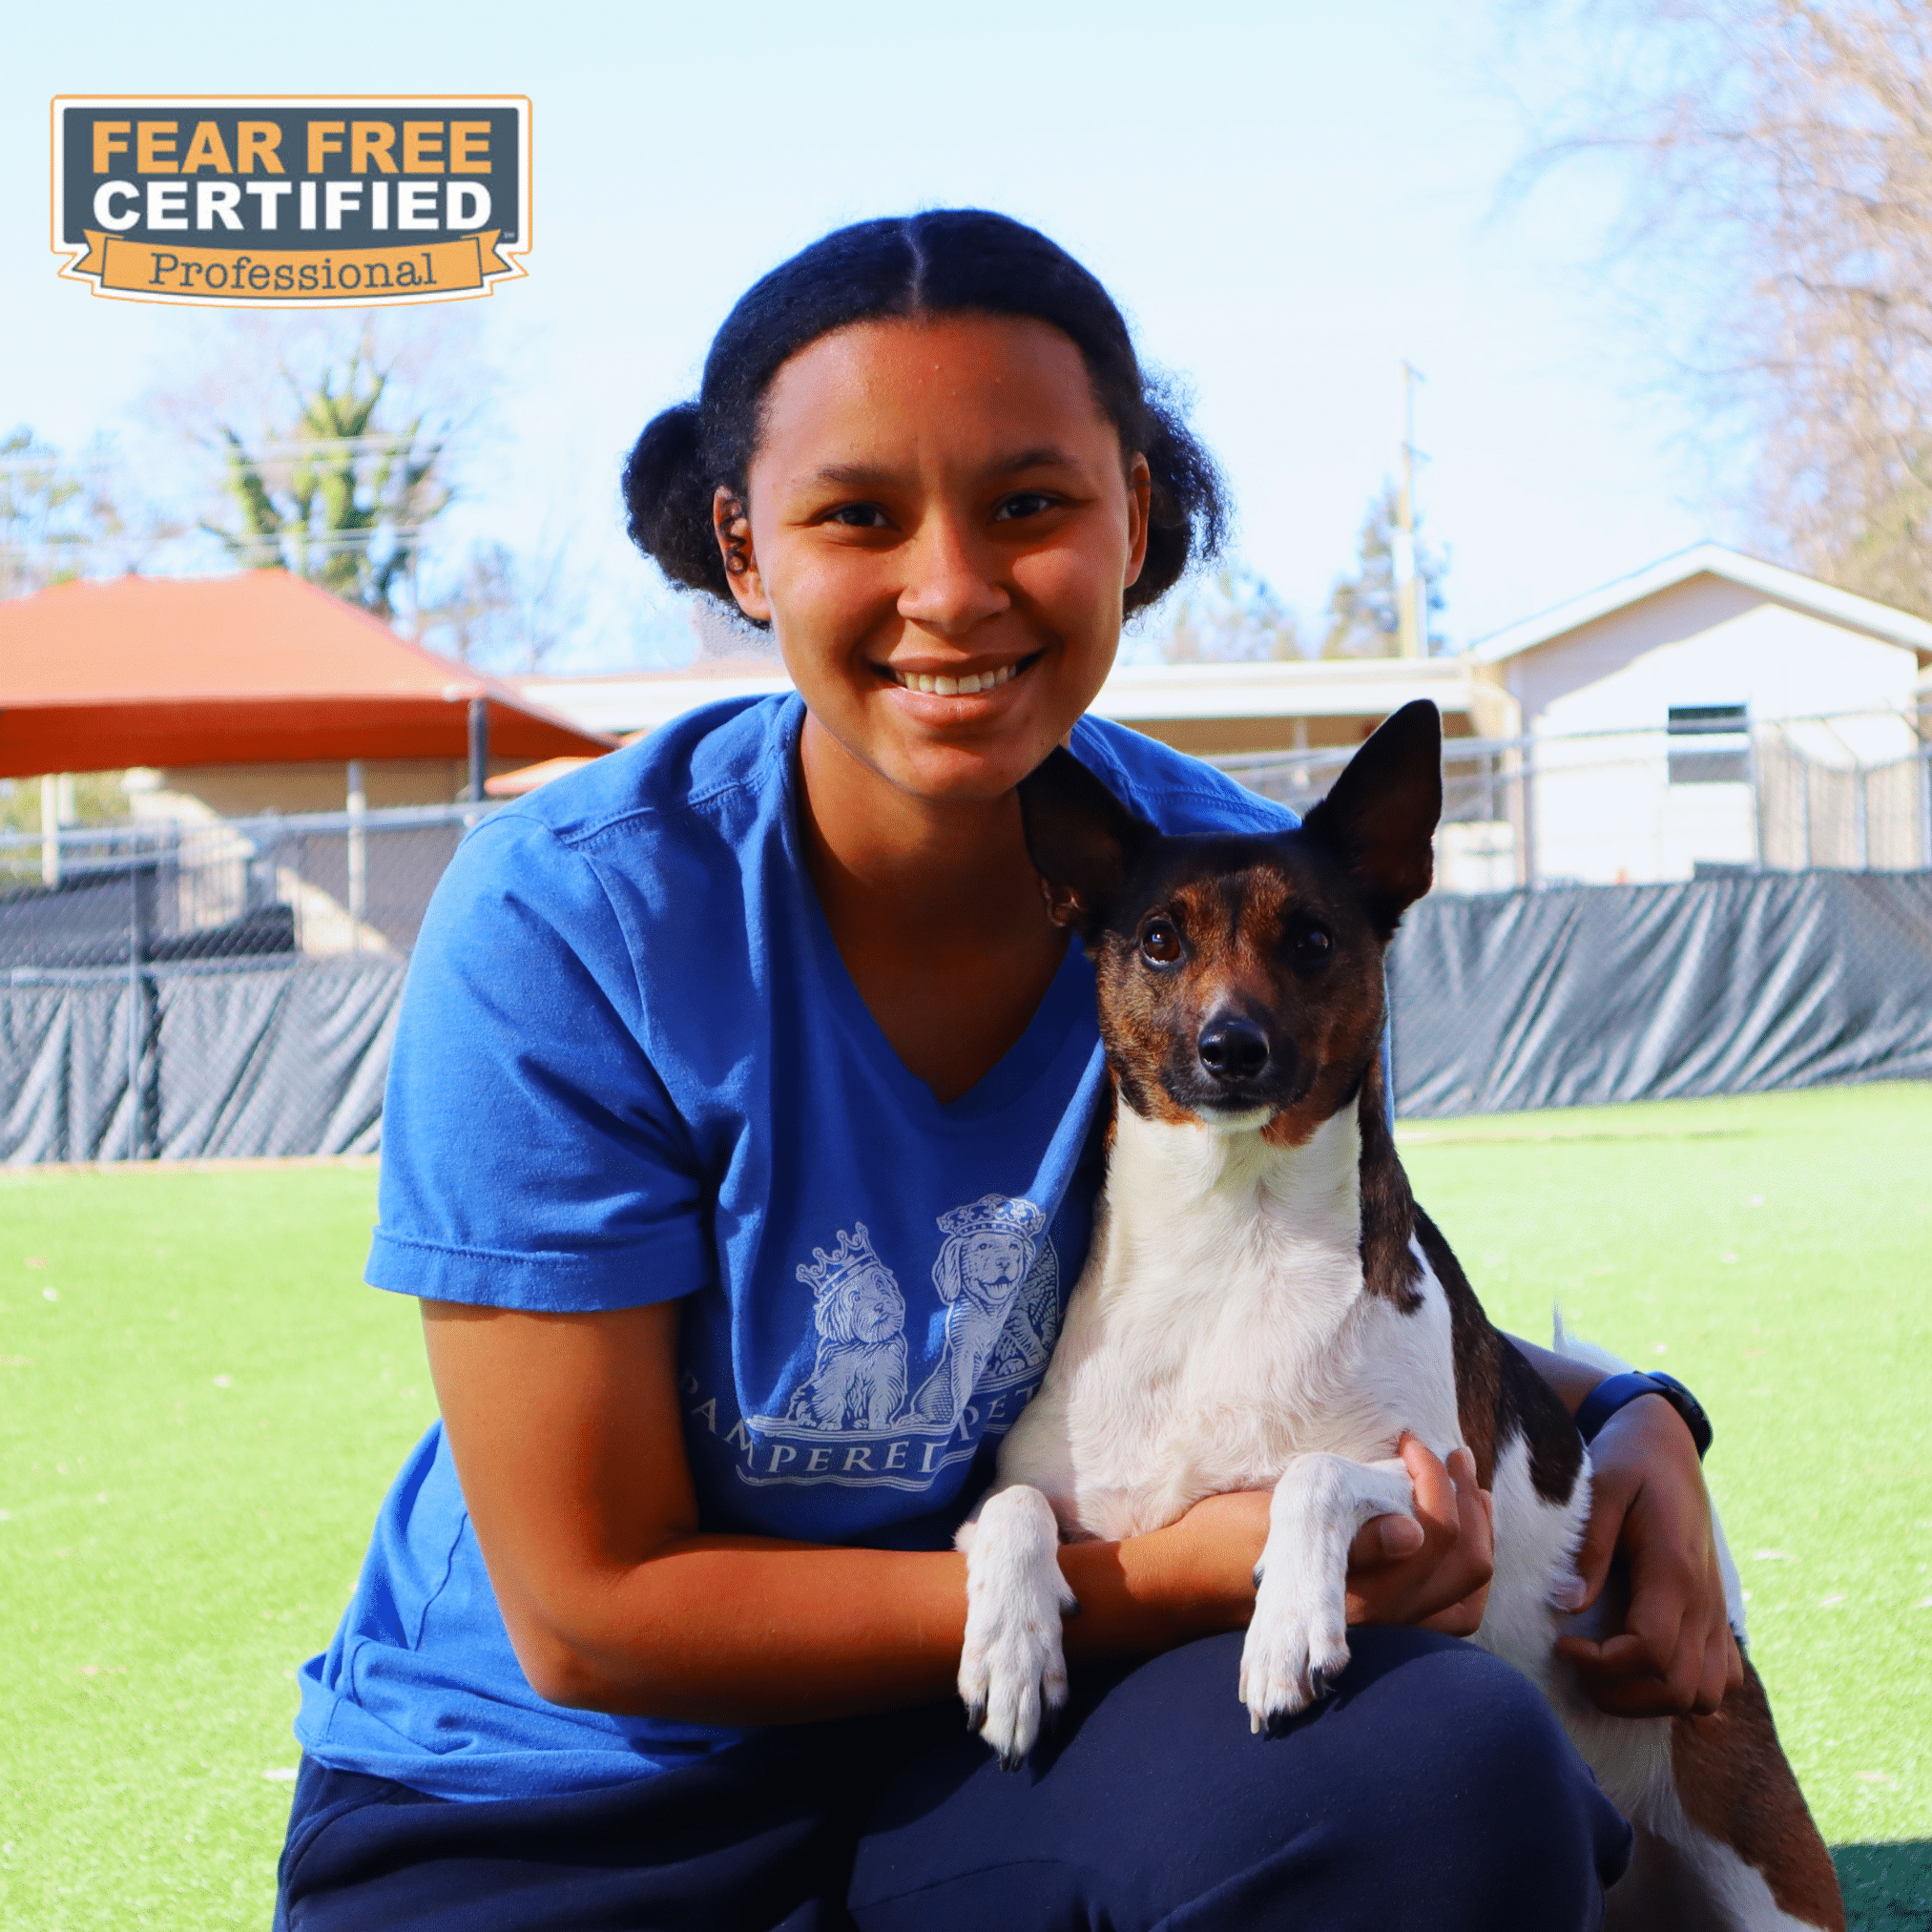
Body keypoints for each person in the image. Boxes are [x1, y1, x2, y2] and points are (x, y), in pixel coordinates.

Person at [278, 211, 1737, 1931]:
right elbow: (591, 1612)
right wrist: (1130, 1590)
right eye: (857, 516)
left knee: (1445, 1765)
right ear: (746, 551)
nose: (952, 588)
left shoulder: (1214, 896)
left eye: (1032, 505)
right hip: (556, 1796)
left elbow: (1308, 1286)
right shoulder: (576, 917)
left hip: (990, 1751)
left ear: (1136, 517)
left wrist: (1632, 1416)